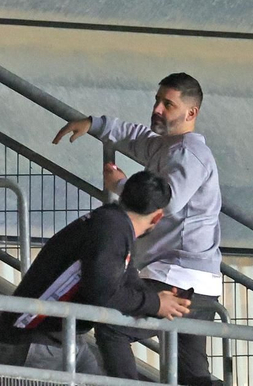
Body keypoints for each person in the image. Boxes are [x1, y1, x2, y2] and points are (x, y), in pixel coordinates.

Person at [54, 73, 224, 385]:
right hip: (193, 281)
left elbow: (167, 201)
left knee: (112, 327)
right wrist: (94, 124)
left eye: (168, 104)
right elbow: (134, 135)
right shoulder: (165, 146)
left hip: (178, 275)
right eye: (157, 100)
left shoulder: (190, 153)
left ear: (191, 113)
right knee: (191, 376)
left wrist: (119, 184)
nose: (158, 109)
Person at [0, 171, 191, 377]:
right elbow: (102, 292)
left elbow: (127, 278)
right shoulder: (111, 229)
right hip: (35, 341)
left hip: (58, 339)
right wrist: (155, 304)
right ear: (158, 217)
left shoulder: (113, 223)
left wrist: (161, 301)